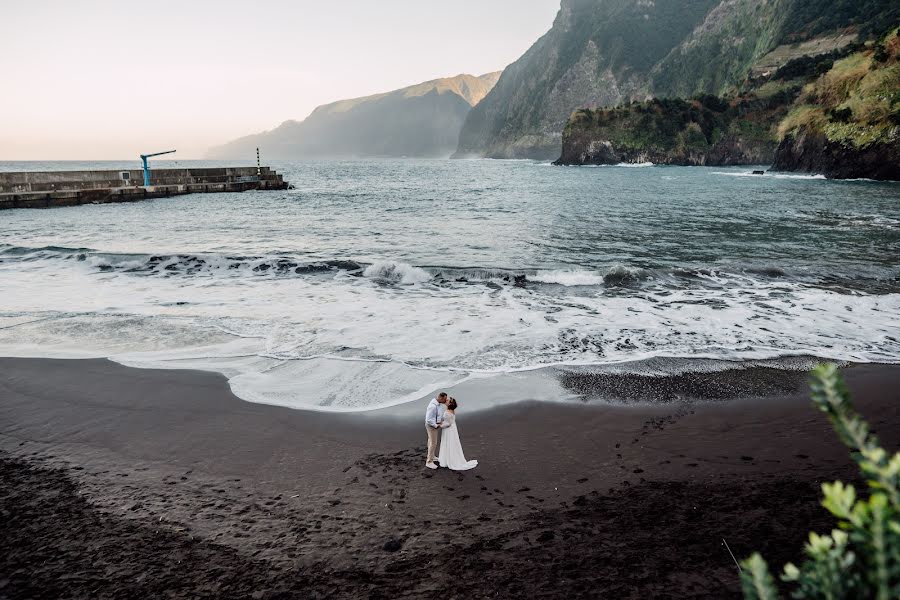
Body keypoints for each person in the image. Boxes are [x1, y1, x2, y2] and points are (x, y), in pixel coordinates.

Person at [437, 397, 478, 471]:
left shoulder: (448, 412)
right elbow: (449, 421)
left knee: (448, 443)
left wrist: (439, 425)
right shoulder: (451, 410)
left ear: (449, 404)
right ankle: (448, 458)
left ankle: (448, 460)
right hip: (452, 429)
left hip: (448, 430)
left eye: (447, 400)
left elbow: (448, 423)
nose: (445, 401)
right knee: (452, 443)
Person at [424, 392, 448, 469]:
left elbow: (437, 415)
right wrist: (436, 425)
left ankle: (432, 456)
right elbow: (428, 419)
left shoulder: (438, 404)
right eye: (444, 399)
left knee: (431, 441)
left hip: (434, 425)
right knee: (433, 443)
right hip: (431, 426)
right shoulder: (433, 406)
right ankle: (429, 462)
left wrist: (440, 421)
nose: (445, 401)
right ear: (440, 398)